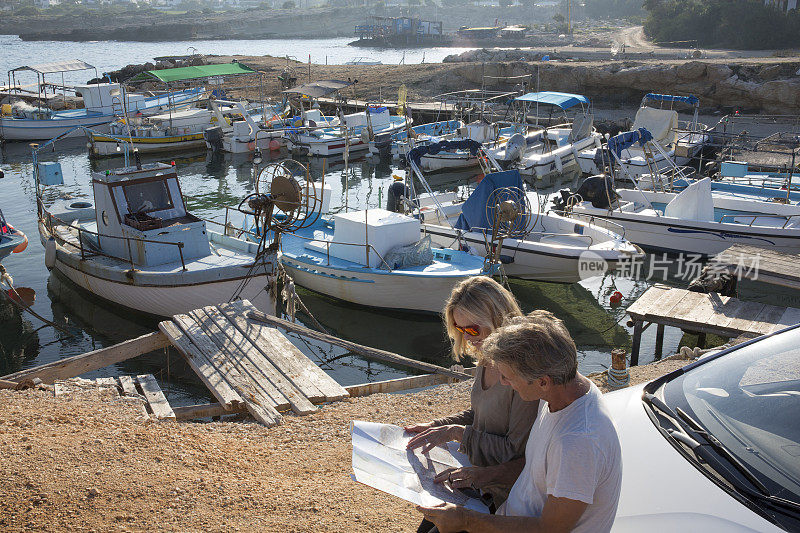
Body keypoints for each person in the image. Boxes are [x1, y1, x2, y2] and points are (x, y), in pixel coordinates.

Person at [417, 311, 622, 533]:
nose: (504, 383)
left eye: (508, 377)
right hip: (511, 514)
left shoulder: (577, 442)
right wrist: (487, 475)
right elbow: (540, 468)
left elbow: (551, 529)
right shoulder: (562, 391)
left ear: (543, 382)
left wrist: (467, 520)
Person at [405, 276, 540, 508]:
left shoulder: (521, 373)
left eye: (472, 329)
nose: (466, 337)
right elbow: (481, 414)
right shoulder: (487, 357)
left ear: (496, 319)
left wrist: (458, 433)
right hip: (479, 482)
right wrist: (437, 425)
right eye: (459, 328)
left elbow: (515, 453)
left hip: (506, 497)